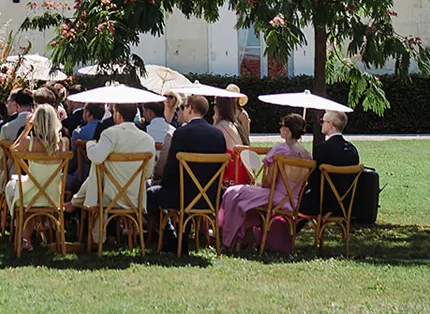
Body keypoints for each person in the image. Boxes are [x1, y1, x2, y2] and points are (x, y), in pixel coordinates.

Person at [217, 113, 314, 250]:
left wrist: (259, 185)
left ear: (287, 131)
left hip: (275, 197)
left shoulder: (281, 150)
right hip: (293, 201)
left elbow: (269, 182)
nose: (280, 129)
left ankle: (229, 239)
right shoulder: (308, 156)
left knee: (234, 192)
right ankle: (246, 237)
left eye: (281, 126)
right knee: (246, 197)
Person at [144, 93, 227, 248]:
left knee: (151, 194)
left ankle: (169, 236)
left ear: (191, 109)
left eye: (183, 107)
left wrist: (164, 184)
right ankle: (179, 238)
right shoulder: (218, 135)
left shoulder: (181, 133)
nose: (180, 111)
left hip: (183, 196)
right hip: (211, 197)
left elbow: (171, 167)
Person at [71, 100, 156, 246]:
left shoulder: (110, 133)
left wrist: (91, 144)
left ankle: (96, 238)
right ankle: (74, 203)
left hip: (109, 196)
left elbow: (96, 157)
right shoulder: (147, 139)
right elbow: (148, 173)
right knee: (97, 177)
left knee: (96, 179)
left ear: (117, 115)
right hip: (134, 196)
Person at [1, 103, 65, 216]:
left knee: (10, 187)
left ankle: (20, 224)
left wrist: (27, 129)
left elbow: (13, 149)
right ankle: (39, 225)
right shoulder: (64, 143)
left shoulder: (29, 143)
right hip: (54, 196)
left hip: (30, 196)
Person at [0, 90, 36, 215]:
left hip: (13, 175)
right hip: (40, 177)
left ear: (16, 105)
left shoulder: (6, 128)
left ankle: (1, 216)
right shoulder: (42, 125)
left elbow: (0, 160)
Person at [298, 110, 362, 217]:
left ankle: (288, 231)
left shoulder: (322, 149)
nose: (321, 124)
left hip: (322, 203)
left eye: (323, 121)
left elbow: (314, 180)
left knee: (295, 199)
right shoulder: (352, 150)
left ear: (331, 125)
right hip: (346, 203)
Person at [64, 102, 106, 195]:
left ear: (88, 114)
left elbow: (73, 161)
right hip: (104, 176)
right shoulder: (107, 131)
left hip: (82, 175)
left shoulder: (79, 132)